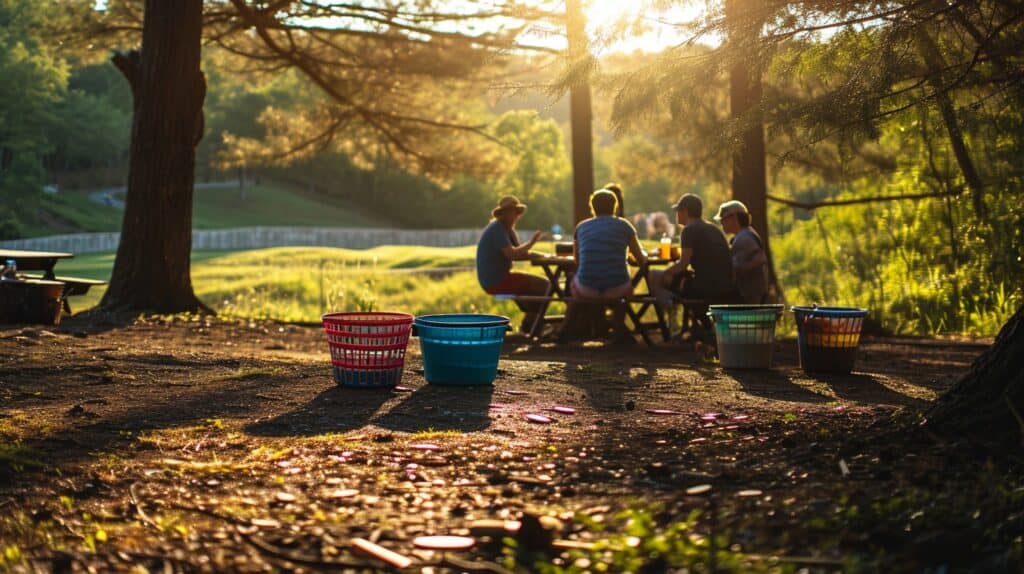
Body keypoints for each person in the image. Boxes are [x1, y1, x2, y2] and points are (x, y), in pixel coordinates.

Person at [562, 189, 647, 343]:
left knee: (575, 282)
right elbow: (640, 258)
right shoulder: (624, 226)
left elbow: (578, 261)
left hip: (587, 289)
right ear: (615, 206)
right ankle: (618, 328)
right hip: (617, 289)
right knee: (622, 289)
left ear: (592, 207)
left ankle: (567, 329)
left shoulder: (581, 227)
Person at [649, 194, 735, 333]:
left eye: (678, 211)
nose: (677, 214)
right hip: (725, 283)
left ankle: (671, 317)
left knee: (654, 275)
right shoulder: (712, 228)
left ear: (686, 212)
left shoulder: (689, 230)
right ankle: (703, 327)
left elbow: (683, 263)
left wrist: (665, 273)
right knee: (679, 279)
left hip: (705, 286)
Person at [476, 195, 550, 332]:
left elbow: (519, 253)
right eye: (511, 211)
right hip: (496, 280)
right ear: (503, 214)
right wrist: (532, 243)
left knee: (543, 286)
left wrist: (542, 256)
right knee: (546, 285)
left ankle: (531, 324)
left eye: (517, 212)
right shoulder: (497, 229)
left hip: (500, 278)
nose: (515, 215)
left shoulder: (507, 230)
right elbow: (513, 254)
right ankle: (532, 324)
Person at [715, 200, 770, 304]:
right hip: (750, 292)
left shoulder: (744, 237)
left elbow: (761, 258)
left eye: (724, 219)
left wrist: (741, 269)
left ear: (734, 218)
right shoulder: (744, 234)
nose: (722, 223)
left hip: (751, 294)